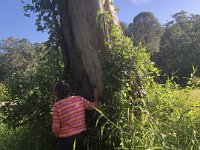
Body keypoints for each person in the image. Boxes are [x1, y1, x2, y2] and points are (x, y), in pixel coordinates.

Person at [52, 82, 99, 150]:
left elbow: (56, 128)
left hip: (65, 140)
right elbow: (94, 106)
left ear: (57, 93)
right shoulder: (79, 99)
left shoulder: (57, 106)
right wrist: (96, 97)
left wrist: (57, 137)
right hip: (81, 137)